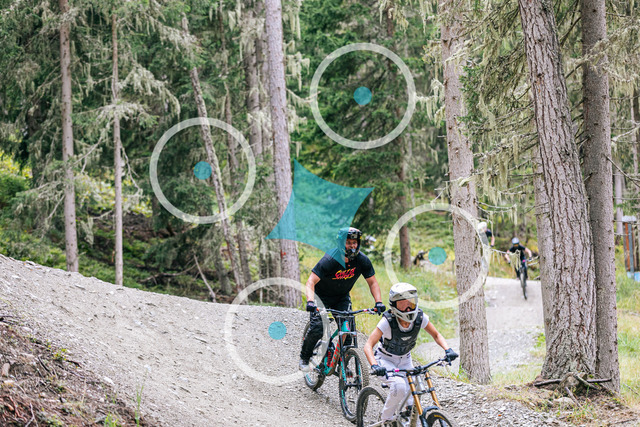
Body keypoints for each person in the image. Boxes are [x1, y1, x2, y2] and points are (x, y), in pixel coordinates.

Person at [363, 283, 458, 422]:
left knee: (415, 396)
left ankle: (411, 422)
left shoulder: (420, 317)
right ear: (394, 305)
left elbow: (437, 335)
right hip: (385, 360)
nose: (408, 308)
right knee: (399, 386)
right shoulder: (387, 321)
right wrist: (375, 366)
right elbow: (368, 345)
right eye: (403, 304)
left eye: (411, 303)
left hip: (406, 359)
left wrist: (447, 350)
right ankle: (386, 419)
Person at [299, 227, 385, 371]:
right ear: (341, 243)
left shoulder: (362, 260)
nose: (352, 246)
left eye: (355, 243)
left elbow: (373, 282)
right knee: (318, 328)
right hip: (321, 297)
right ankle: (305, 357)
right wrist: (310, 301)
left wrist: (379, 302)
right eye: (348, 243)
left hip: (341, 297)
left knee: (348, 333)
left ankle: (342, 364)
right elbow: (311, 282)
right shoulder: (330, 260)